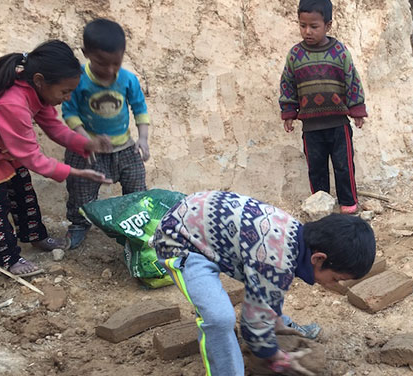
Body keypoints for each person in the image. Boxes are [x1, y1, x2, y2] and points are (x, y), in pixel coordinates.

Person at [153, 190, 376, 375]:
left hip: (203, 223)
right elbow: (252, 328)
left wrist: (273, 323)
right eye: (336, 278)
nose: (331, 284)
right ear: (318, 259)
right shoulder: (276, 259)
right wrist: (274, 356)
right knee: (219, 318)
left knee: (267, 288)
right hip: (179, 240)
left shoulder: (295, 235)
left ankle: (279, 324)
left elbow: (265, 287)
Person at [0, 40, 112, 276]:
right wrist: (74, 172)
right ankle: (8, 258)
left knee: (22, 186)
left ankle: (35, 236)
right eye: (64, 91)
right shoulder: (12, 102)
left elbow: (54, 128)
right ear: (39, 80)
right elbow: (31, 156)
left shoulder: (36, 90)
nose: (67, 98)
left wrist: (86, 143)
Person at [61, 18, 151, 249]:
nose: (110, 70)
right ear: (86, 53)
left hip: (125, 147)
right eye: (102, 63)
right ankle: (79, 224)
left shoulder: (128, 79)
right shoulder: (78, 80)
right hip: (88, 149)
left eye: (116, 63)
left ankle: (136, 222)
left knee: (136, 186)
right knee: (81, 189)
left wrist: (142, 139)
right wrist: (85, 139)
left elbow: (140, 107)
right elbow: (69, 111)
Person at [279, 0, 367, 215]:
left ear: (328, 25)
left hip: (338, 124)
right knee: (316, 169)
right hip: (311, 127)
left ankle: (348, 203)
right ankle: (321, 205)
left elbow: (352, 79)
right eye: (302, 25)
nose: (307, 31)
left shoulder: (339, 52)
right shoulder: (295, 55)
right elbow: (287, 84)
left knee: (343, 165)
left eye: (314, 26)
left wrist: (357, 109)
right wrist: (289, 112)